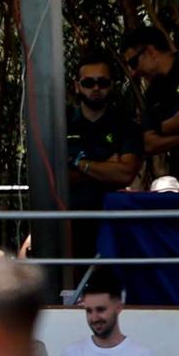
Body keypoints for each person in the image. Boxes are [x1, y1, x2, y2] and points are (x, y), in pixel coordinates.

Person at [67, 51, 144, 262]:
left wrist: (77, 163)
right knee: (68, 289)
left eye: (102, 82)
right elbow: (54, 176)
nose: (95, 88)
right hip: (69, 222)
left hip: (114, 222)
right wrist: (106, 166)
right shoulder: (60, 123)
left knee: (112, 290)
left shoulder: (127, 125)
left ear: (111, 85)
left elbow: (125, 174)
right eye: (88, 82)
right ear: (77, 85)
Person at [122, 26, 179, 192]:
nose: (133, 72)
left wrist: (161, 128)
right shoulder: (153, 92)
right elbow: (150, 143)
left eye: (133, 63)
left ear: (151, 52)